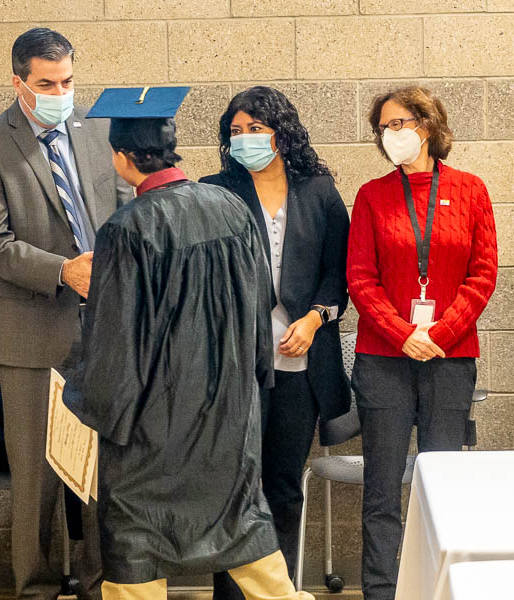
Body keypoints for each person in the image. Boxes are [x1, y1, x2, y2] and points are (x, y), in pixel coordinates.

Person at [62, 86, 316, 600]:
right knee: (247, 535)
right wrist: (248, 389)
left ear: (121, 158)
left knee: (136, 549)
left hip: (151, 433)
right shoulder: (229, 207)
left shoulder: (126, 229)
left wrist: (83, 403)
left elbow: (114, 345)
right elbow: (260, 305)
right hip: (227, 417)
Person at [0, 27, 132, 600]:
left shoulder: (99, 131)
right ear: (18, 83)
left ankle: (99, 584)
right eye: (46, 83)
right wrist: (64, 269)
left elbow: (126, 211)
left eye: (67, 81)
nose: (60, 93)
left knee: (100, 476)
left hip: (104, 330)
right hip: (31, 331)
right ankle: (34, 587)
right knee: (35, 480)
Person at [346, 85, 498, 600]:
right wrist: (404, 333)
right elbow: (360, 279)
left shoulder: (472, 190)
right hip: (384, 360)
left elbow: (483, 274)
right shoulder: (371, 195)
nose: (390, 136)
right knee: (383, 488)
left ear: (427, 126)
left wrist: (440, 333)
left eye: (398, 124)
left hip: (450, 360)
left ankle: (439, 590)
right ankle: (381, 591)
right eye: (383, 128)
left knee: (443, 486)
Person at [200, 85, 351, 598]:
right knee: (236, 490)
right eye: (235, 132)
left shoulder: (318, 190)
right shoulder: (214, 190)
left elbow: (339, 273)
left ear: (281, 133)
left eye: (256, 129)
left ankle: (279, 591)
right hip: (236, 367)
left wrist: (313, 320)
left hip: (300, 367)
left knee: (284, 488)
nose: (245, 140)